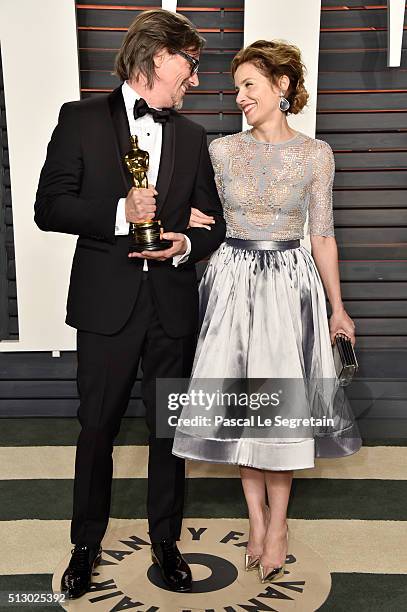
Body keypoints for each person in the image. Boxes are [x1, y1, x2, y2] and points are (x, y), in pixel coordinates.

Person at [34, 9, 225, 599]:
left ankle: (166, 541)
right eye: (190, 64)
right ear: (158, 56)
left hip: (170, 306)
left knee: (169, 433)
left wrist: (186, 241)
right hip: (105, 307)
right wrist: (120, 214)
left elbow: (212, 225)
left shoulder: (194, 137)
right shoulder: (80, 118)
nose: (195, 78)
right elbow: (50, 207)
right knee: (97, 429)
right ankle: (84, 545)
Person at [173, 40, 361, 584]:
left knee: (281, 414)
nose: (239, 98)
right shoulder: (220, 151)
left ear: (281, 87)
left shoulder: (315, 153)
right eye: (236, 88)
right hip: (230, 284)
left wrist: (338, 308)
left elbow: (321, 235)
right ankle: (255, 519)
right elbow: (195, 211)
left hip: (288, 288)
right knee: (245, 410)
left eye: (249, 85)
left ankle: (279, 523)